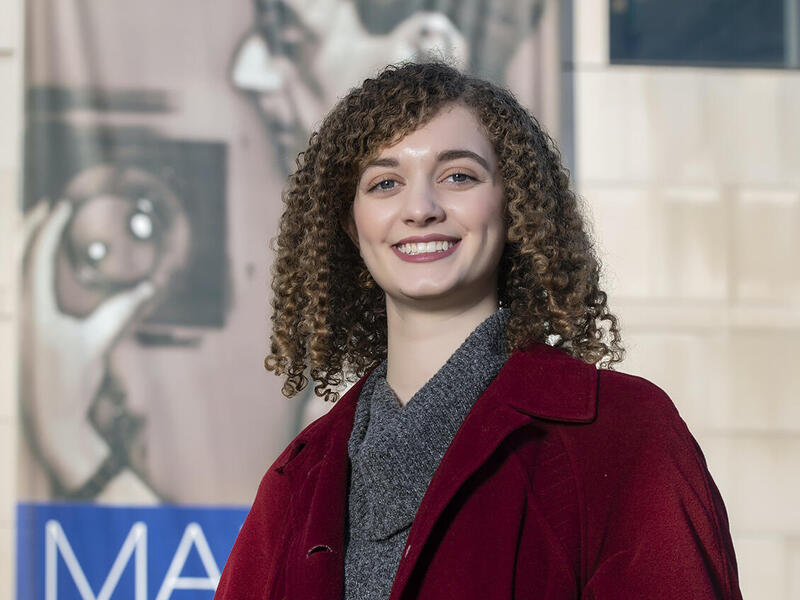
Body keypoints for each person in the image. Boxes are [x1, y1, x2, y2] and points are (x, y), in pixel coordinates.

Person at [215, 62, 742, 599]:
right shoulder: (296, 480)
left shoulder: (625, 434)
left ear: (514, 206)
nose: (419, 208)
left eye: (458, 176)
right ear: (351, 225)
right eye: (385, 182)